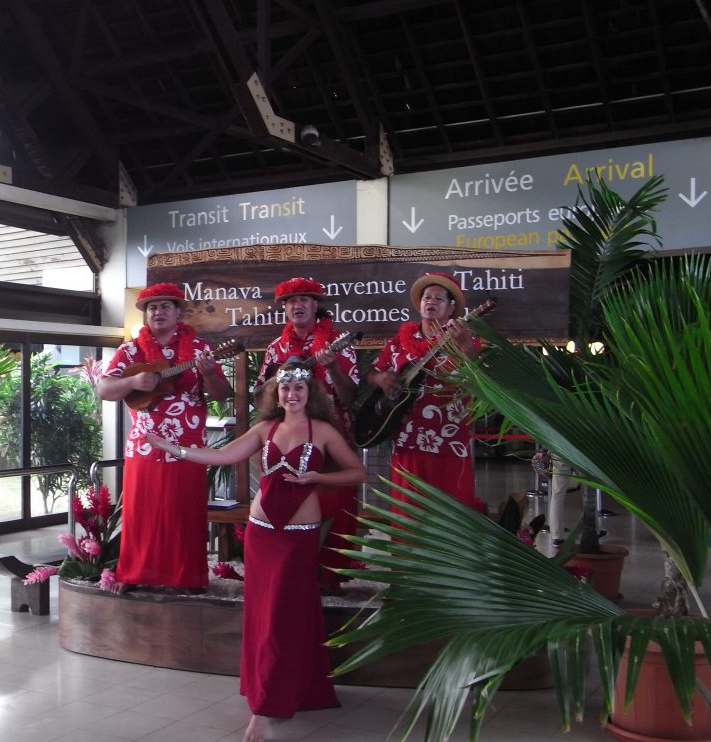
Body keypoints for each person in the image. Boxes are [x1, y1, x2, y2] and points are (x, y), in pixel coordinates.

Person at [144, 357, 366, 742]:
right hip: (263, 533)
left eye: (298, 388)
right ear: (275, 394)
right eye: (284, 388)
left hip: (298, 536)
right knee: (264, 614)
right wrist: (173, 448)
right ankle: (270, 692)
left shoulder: (324, 431)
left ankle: (268, 705)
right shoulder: (266, 428)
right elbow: (221, 456)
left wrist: (317, 476)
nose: (291, 394)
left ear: (309, 393)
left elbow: (357, 472)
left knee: (285, 614)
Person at [97, 282, 232, 591]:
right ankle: (134, 574)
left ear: (177, 312)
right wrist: (134, 382)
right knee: (142, 514)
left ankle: (186, 577)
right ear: (146, 315)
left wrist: (210, 372)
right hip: (144, 446)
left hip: (188, 448)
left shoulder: (200, 349)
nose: (159, 312)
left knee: (183, 513)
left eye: (165, 306)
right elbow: (104, 389)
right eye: (153, 307)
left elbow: (222, 394)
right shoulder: (130, 351)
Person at [254, 277, 359, 590]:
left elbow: (351, 397)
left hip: (331, 436)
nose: (297, 306)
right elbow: (261, 396)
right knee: (292, 497)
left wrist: (334, 368)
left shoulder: (337, 342)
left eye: (304, 300)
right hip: (290, 439)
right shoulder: (276, 349)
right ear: (285, 308)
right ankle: (291, 568)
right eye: (291, 301)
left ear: (316, 306)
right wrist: (278, 385)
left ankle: (329, 576)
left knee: (333, 499)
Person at [367, 271, 482, 509]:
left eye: (438, 298)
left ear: (451, 308)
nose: (430, 301)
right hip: (407, 440)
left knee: (450, 512)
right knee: (408, 514)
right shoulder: (398, 343)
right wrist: (380, 379)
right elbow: (372, 373)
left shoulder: (465, 338)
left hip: (450, 442)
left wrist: (465, 346)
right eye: (427, 297)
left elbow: (478, 375)